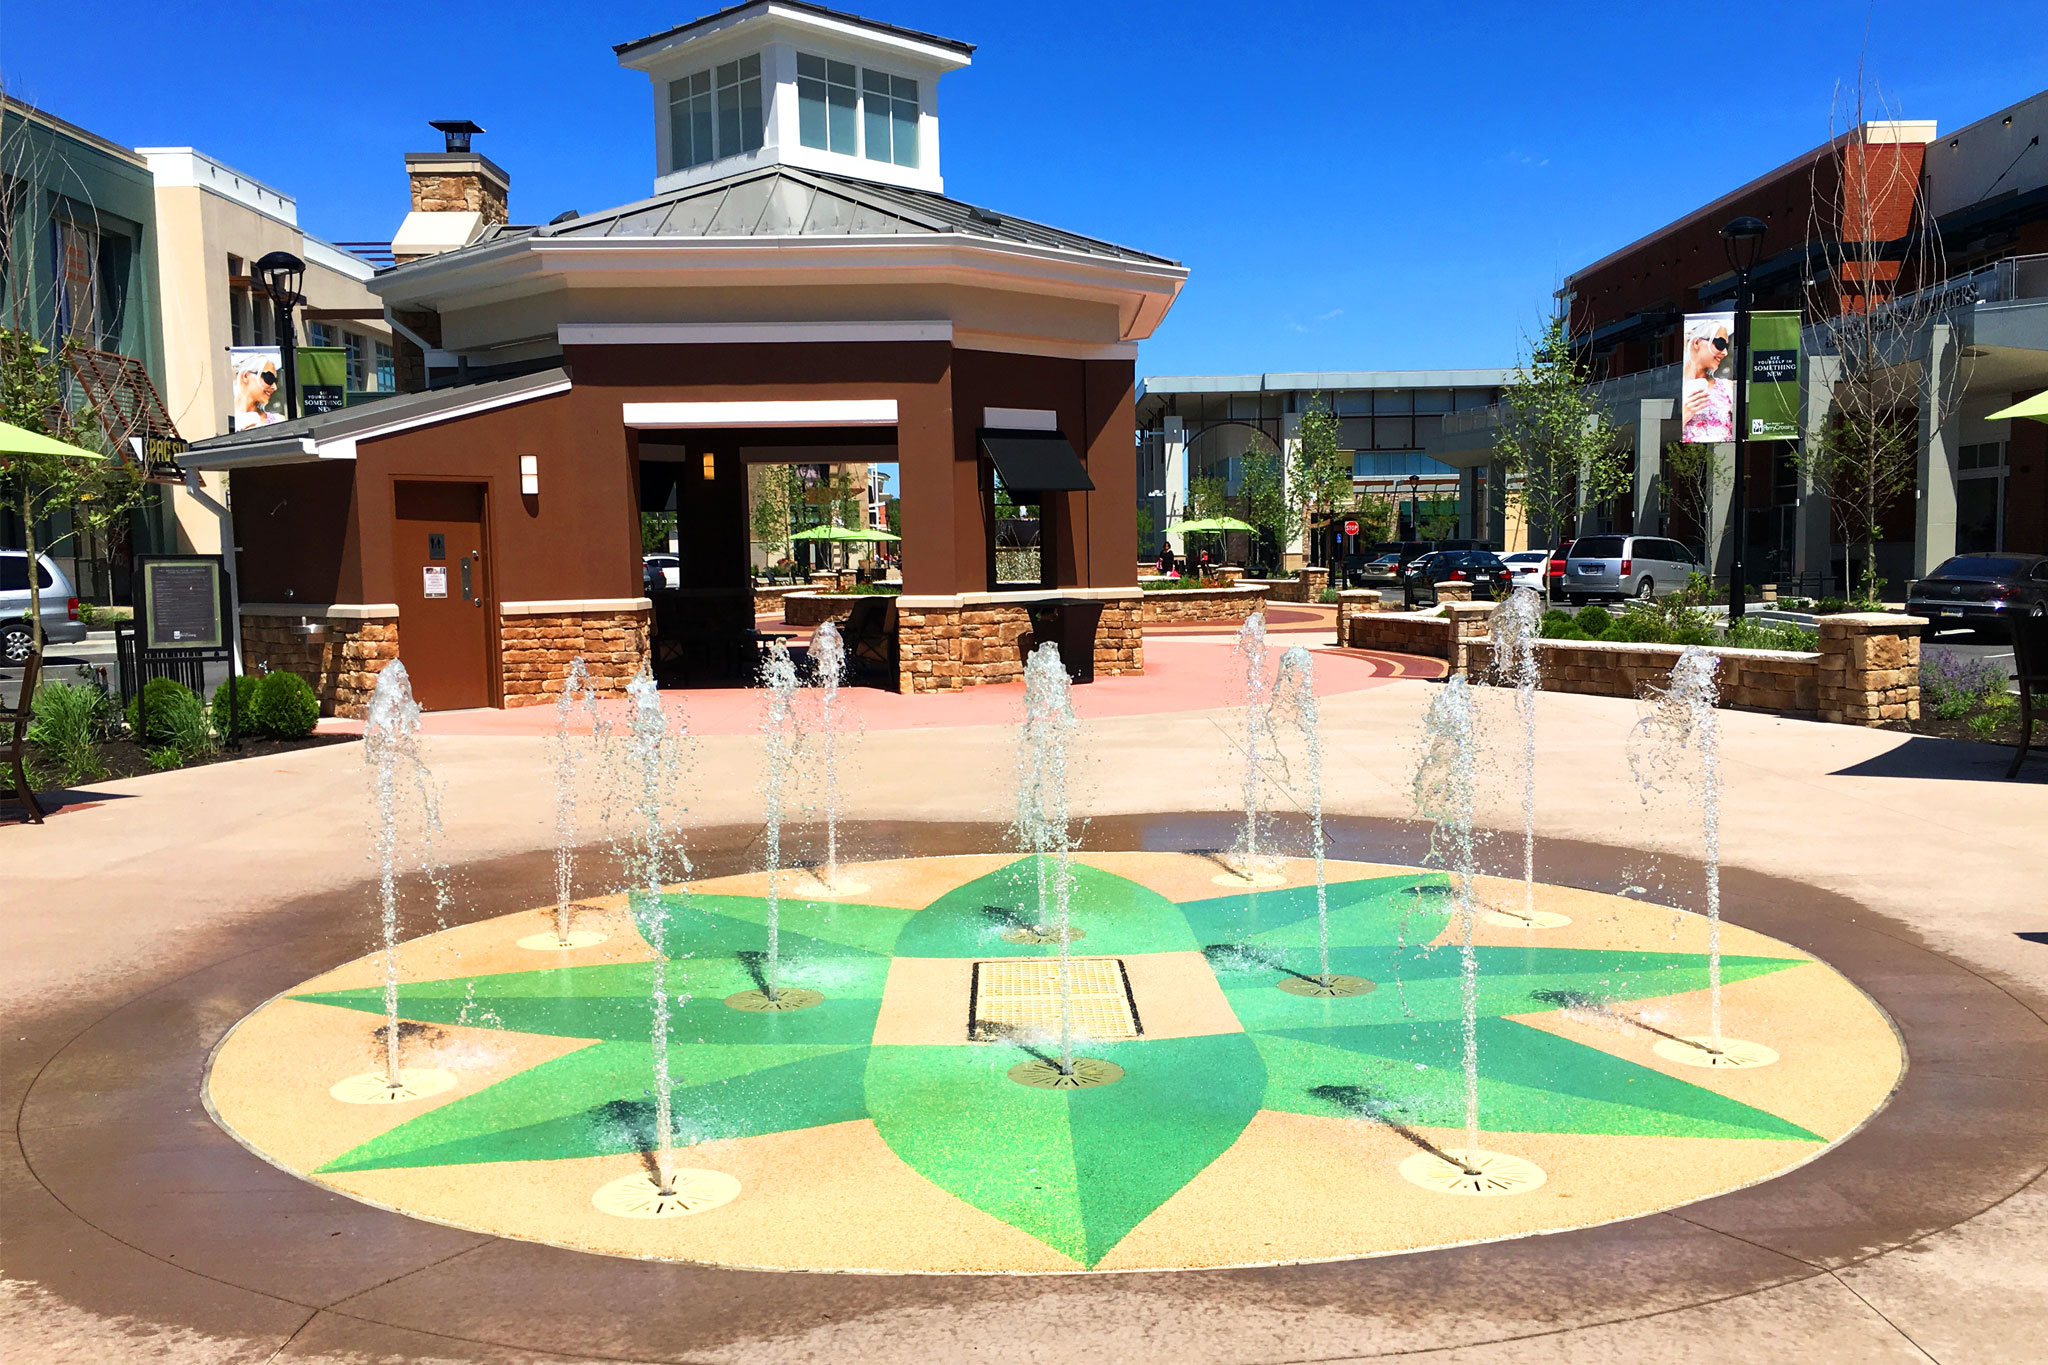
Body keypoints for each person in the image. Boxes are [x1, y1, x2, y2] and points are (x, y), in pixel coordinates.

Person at [1680, 317, 1735, 445]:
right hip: (1686, 458)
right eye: (1720, 344)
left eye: (1726, 346)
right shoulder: (1676, 386)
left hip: (1723, 456)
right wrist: (1685, 415)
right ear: (1696, 343)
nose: (1725, 352)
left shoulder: (1726, 387)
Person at [230, 352, 285, 430]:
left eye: (276, 381)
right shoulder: (226, 420)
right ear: (245, 376)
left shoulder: (279, 421)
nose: (274, 387)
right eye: (269, 378)